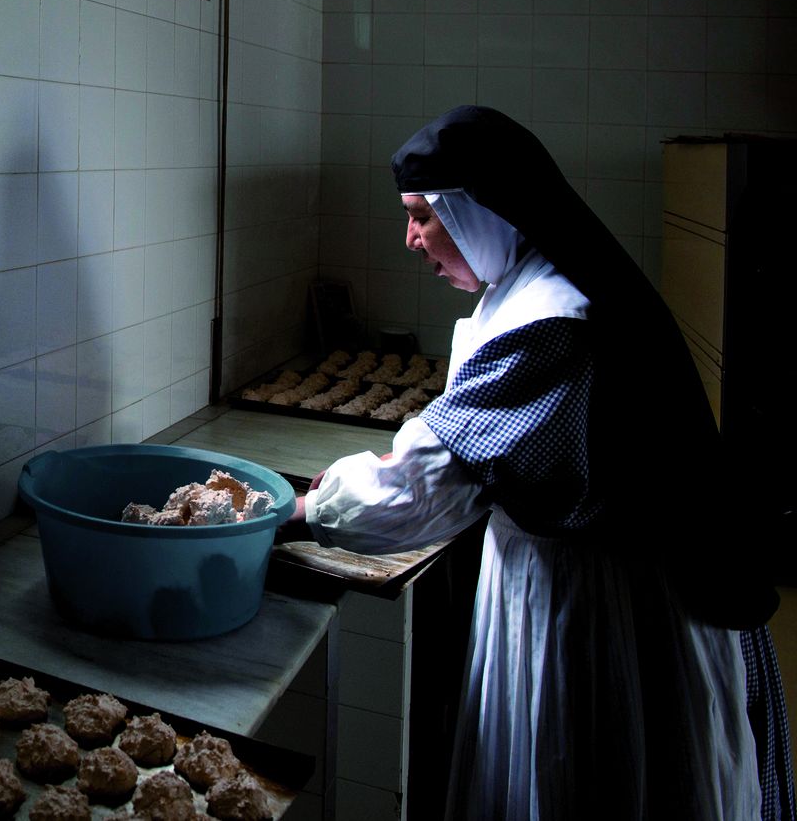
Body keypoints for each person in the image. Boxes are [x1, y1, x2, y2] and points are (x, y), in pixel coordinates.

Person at [282, 106, 793, 819]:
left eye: (421, 217)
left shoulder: (554, 317)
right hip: (578, 580)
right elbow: (474, 440)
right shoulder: (533, 281)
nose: (410, 239)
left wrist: (299, 510)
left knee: (587, 777)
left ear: (477, 213)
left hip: (601, 611)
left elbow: (426, 489)